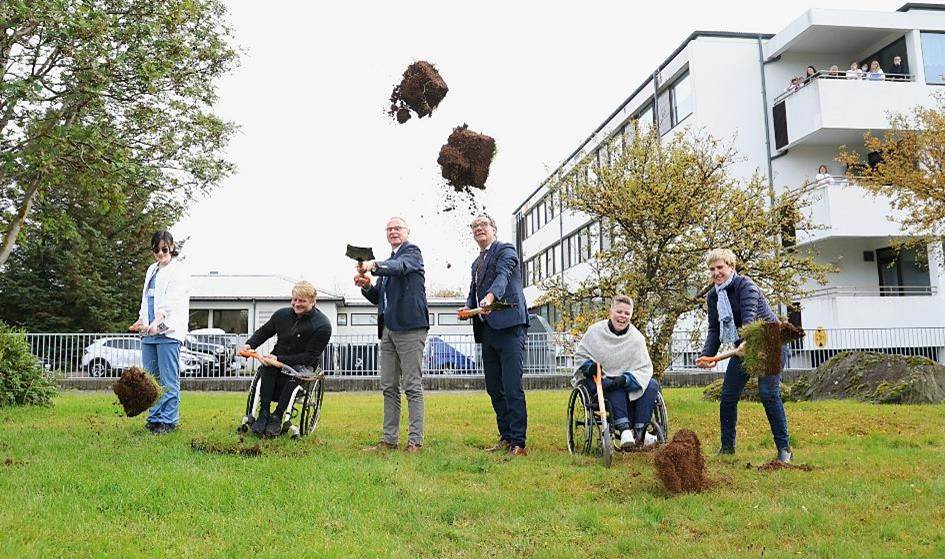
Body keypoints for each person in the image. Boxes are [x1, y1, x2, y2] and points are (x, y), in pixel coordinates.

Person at [695, 249, 793, 463]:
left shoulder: (746, 286)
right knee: (728, 396)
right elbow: (714, 329)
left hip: (770, 342)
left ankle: (784, 449)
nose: (716, 273)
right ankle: (728, 448)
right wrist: (706, 355)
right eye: (712, 269)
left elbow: (749, 319)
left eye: (720, 267)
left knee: (768, 394)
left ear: (731, 267)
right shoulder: (714, 296)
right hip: (744, 348)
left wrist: (747, 341)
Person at [355, 217, 429, 453]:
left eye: (397, 228)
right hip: (388, 329)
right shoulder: (389, 262)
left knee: (412, 386)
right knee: (388, 386)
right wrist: (366, 285)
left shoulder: (412, 253)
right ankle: (389, 440)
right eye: (389, 229)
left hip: (410, 327)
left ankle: (415, 441)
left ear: (408, 231)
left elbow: (401, 268)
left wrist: (374, 266)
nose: (393, 231)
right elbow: (379, 297)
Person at [459, 214, 529, 457]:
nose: (479, 228)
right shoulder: (476, 263)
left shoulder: (505, 250)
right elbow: (473, 291)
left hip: (509, 327)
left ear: (494, 230)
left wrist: (490, 298)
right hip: (487, 330)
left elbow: (503, 277)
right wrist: (468, 308)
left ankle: (518, 443)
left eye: (483, 225)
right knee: (494, 388)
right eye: (474, 226)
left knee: (511, 387)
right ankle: (506, 435)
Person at [241, 281, 331, 437]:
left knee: (294, 375)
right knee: (266, 368)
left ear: (313, 301)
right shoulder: (281, 315)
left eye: (302, 301)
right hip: (276, 360)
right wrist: (249, 345)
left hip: (302, 365)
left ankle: (277, 416)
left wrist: (279, 359)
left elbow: (309, 357)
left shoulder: (322, 325)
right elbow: (264, 332)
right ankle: (263, 413)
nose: (297, 304)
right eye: (294, 299)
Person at [573, 295, 659, 449]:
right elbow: (580, 357)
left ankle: (641, 432)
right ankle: (625, 430)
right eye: (619, 312)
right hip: (600, 381)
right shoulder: (594, 332)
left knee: (652, 385)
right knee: (613, 386)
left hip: (627, 382)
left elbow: (645, 369)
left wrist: (626, 379)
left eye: (627, 313)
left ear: (631, 316)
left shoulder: (636, 338)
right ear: (611, 311)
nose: (622, 316)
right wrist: (589, 366)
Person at [129, 231, 190, 435]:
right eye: (156, 249)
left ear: (172, 247)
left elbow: (170, 301)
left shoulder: (178, 271)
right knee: (151, 379)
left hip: (168, 332)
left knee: (168, 379)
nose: (160, 253)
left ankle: (169, 420)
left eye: (164, 248)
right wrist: (142, 319)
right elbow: (146, 298)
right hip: (148, 332)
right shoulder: (152, 270)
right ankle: (154, 418)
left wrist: (157, 321)